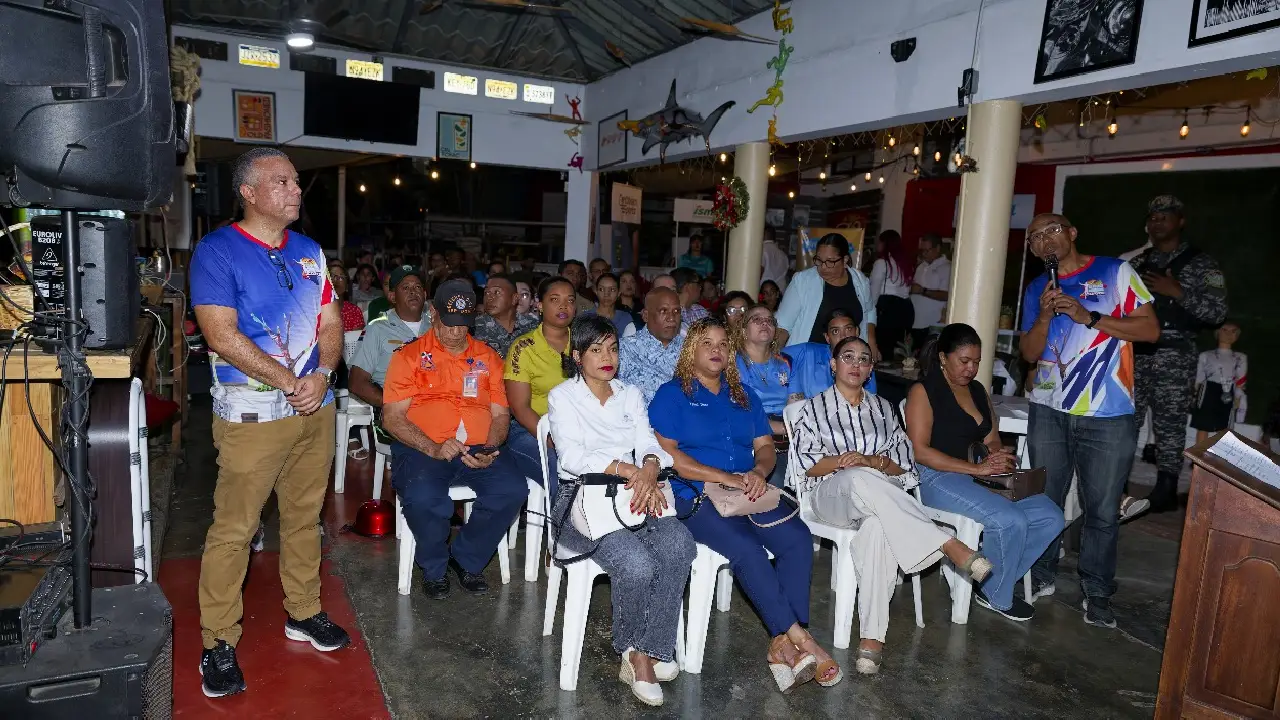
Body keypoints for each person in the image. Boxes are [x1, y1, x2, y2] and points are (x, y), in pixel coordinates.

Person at [190, 147, 350, 699]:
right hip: (254, 414)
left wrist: (323, 374)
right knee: (235, 530)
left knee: (304, 519)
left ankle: (303, 612)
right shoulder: (217, 251)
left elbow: (331, 323)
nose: (295, 189)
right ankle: (217, 641)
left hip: (315, 406)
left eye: (296, 181)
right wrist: (289, 380)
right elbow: (219, 334)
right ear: (249, 193)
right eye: (281, 182)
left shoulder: (309, 252)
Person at [649, 318, 841, 692]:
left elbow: (766, 447)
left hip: (748, 489)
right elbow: (668, 455)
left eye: (723, 343)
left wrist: (757, 471)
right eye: (707, 343)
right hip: (695, 494)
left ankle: (783, 642)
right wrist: (726, 477)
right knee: (747, 549)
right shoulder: (672, 394)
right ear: (691, 351)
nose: (717, 350)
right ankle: (803, 641)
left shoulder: (744, 395)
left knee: (797, 539)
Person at [791, 335, 992, 675]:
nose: (856, 364)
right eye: (848, 357)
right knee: (857, 476)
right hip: (830, 495)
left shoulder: (883, 409)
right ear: (833, 364)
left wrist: (874, 461)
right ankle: (946, 542)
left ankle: (872, 638)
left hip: (880, 500)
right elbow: (806, 464)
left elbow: (904, 466)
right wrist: (845, 462)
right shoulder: (813, 408)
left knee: (877, 527)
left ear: (871, 369)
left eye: (864, 359)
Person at [546, 316, 697, 707]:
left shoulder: (629, 394)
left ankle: (654, 646)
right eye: (596, 350)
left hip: (632, 491)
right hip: (581, 501)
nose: (607, 357)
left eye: (612, 348)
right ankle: (634, 654)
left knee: (679, 545)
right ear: (577, 356)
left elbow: (647, 440)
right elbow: (572, 456)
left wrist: (649, 465)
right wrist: (625, 468)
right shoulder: (563, 397)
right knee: (636, 563)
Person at [1019, 213, 1159, 629]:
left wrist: (1089, 317)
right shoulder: (1036, 288)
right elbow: (1028, 353)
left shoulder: (1116, 272)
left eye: (1052, 230)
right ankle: (1041, 574)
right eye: (1035, 237)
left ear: (1072, 232)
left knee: (1102, 510)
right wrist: (1044, 317)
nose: (1045, 240)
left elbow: (1150, 330)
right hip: (1049, 410)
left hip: (1107, 413)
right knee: (1045, 500)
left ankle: (1097, 591)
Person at [905, 323, 1064, 622]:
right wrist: (976, 468)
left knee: (1050, 516)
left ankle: (992, 579)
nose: (971, 369)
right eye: (964, 361)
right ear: (943, 357)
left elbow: (991, 438)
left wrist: (997, 456)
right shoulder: (923, 391)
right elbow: (919, 451)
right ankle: (997, 595)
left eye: (976, 362)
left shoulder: (977, 390)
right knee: (1010, 520)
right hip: (935, 477)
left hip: (978, 475)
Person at [382, 279, 529, 600]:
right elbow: (392, 417)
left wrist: (491, 447)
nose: (456, 331)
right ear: (433, 313)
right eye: (449, 322)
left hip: (478, 445)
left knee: (512, 489)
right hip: (423, 446)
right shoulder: (408, 357)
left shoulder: (488, 358)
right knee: (424, 498)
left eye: (463, 324)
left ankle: (465, 558)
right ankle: (434, 568)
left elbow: (500, 415)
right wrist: (433, 447)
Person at [1128, 196, 1229, 513]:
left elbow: (1217, 312)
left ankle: (1166, 489)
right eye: (1153, 218)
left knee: (1169, 425)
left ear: (1180, 221)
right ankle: (1117, 482)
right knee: (1125, 420)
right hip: (1134, 352)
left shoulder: (1203, 265)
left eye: (1165, 217)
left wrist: (1178, 292)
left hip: (1175, 355)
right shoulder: (1137, 264)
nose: (1157, 222)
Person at [504, 276, 576, 483]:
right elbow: (520, 408)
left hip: (578, 428)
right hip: (532, 429)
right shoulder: (524, 347)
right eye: (555, 299)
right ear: (540, 305)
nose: (563, 306)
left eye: (570, 300)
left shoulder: (585, 343)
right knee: (561, 469)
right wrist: (553, 439)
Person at [775, 233, 878, 362]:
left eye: (830, 262)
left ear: (845, 260)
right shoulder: (802, 281)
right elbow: (783, 326)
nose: (823, 267)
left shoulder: (860, 280)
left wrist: (871, 340)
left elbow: (869, 310)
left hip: (849, 361)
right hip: (808, 362)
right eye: (819, 260)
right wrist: (772, 358)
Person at [349, 267, 429, 411]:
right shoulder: (377, 329)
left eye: (417, 287)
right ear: (392, 297)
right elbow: (357, 383)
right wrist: (391, 405)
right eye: (405, 288)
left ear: (424, 294)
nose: (413, 291)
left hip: (433, 407)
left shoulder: (437, 328)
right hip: (396, 410)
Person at [785, 309, 878, 400]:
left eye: (848, 329)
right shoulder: (806, 353)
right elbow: (777, 357)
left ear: (857, 332)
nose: (843, 336)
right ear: (827, 338)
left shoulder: (863, 363)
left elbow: (870, 402)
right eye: (835, 331)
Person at [619, 287, 685, 404]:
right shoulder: (624, 349)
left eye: (676, 311)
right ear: (646, 315)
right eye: (663, 311)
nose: (671, 318)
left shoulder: (691, 349)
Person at [1191, 320, 1246, 445]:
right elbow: (1199, 377)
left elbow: (1241, 378)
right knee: (1203, 425)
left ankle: (1218, 455)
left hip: (1228, 390)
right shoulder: (1206, 355)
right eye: (1224, 330)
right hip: (1208, 390)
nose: (1228, 334)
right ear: (1217, 333)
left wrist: (1238, 396)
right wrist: (1195, 394)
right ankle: (1198, 455)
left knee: (1224, 427)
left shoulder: (1240, 357)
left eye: (1233, 331)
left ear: (1237, 336)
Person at [868, 230, 914, 354]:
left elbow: (874, 289)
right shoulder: (905, 264)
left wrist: (869, 310)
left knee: (882, 347)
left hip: (887, 307)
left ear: (884, 243)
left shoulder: (882, 263)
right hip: (905, 307)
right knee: (898, 348)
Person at [474, 273, 540, 359]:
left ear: (514, 298)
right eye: (486, 292)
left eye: (497, 292)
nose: (489, 297)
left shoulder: (533, 327)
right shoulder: (474, 327)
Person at [909, 234, 950, 350]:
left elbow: (947, 295)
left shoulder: (947, 267)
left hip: (933, 324)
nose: (924, 253)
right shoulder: (921, 267)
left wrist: (922, 290)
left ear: (938, 248)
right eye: (922, 250)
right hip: (915, 322)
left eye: (927, 250)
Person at [587, 272, 637, 337]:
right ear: (596, 291)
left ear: (619, 293)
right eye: (601, 289)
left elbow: (631, 341)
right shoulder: (586, 318)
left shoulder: (625, 318)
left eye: (612, 290)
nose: (606, 294)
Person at [327, 260, 365, 332]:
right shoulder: (315, 310)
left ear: (347, 287)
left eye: (341, 277)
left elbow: (357, 337)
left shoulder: (354, 312)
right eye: (331, 276)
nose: (336, 280)